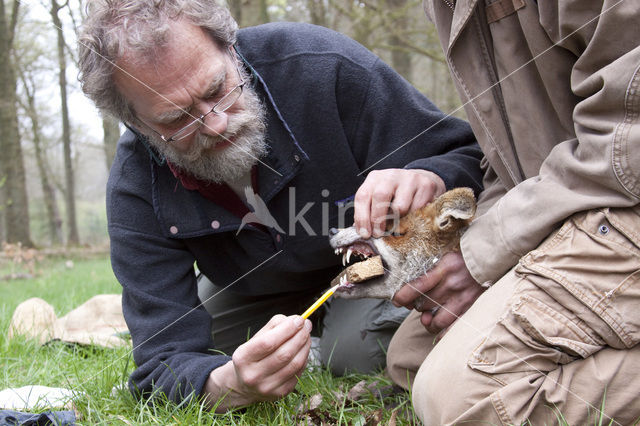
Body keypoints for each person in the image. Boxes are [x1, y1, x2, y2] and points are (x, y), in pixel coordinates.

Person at [77, 0, 483, 411]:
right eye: (176, 120)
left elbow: (472, 157)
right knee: (214, 355)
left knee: (355, 353)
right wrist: (230, 384)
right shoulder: (135, 186)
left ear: (231, 50)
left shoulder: (320, 66)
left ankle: (330, 340)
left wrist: (430, 173)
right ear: (138, 124)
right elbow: (160, 359)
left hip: (374, 263)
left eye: (217, 90)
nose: (215, 124)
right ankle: (299, 344)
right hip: (255, 287)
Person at [386, 0, 640, 424]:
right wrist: (460, 250)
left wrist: (481, 257)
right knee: (410, 358)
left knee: (458, 401)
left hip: (623, 200)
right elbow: (507, 162)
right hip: (576, 205)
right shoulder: (444, 7)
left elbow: (625, 146)